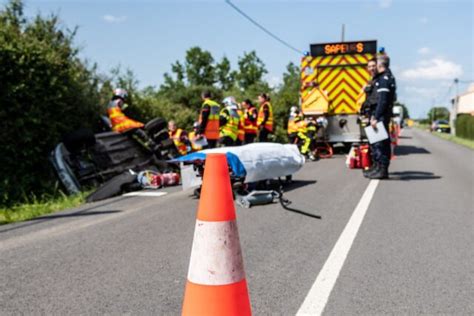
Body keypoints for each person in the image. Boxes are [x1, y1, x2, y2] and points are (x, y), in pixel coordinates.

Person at [369, 54, 397, 179]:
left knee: (379, 144)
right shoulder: (386, 77)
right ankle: (378, 168)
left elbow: (383, 101)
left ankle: (382, 170)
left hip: (381, 116)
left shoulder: (384, 79)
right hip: (382, 115)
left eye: (376, 64)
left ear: (380, 64)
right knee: (378, 143)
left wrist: (376, 116)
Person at [361, 58, 379, 177]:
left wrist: (374, 117)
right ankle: (374, 167)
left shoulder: (378, 81)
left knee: (377, 144)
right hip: (370, 114)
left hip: (375, 116)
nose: (371, 68)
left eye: (374, 66)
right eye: (370, 66)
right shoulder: (371, 80)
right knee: (373, 143)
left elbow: (376, 100)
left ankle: (378, 169)